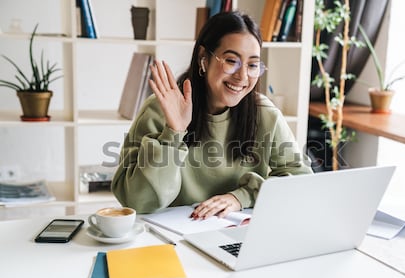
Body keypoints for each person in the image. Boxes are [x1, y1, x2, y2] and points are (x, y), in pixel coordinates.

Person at [111, 11, 312, 220]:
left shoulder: (264, 113)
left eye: (252, 65)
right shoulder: (160, 109)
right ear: (203, 58)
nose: (242, 76)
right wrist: (174, 132)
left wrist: (242, 196)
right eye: (231, 60)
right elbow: (138, 202)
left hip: (237, 231)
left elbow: (301, 182)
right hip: (172, 236)